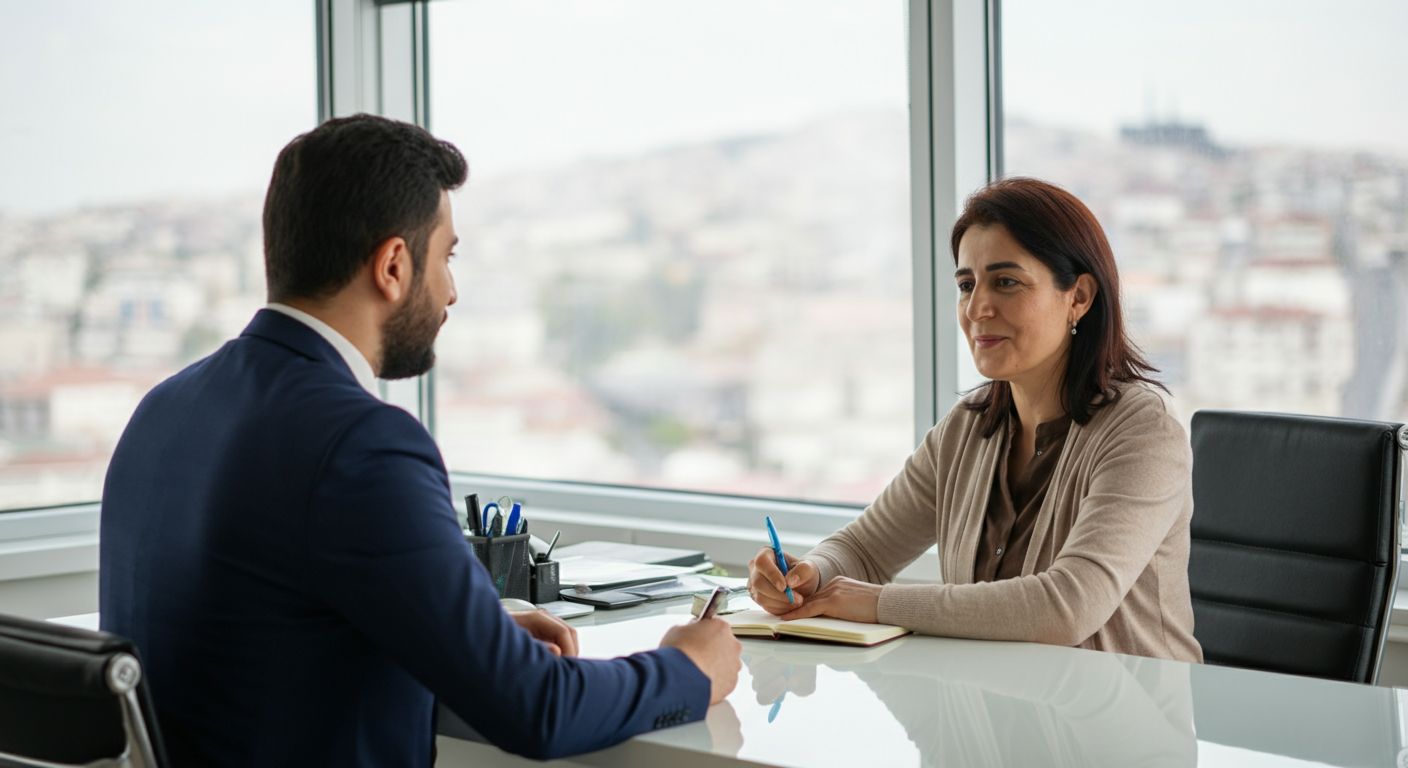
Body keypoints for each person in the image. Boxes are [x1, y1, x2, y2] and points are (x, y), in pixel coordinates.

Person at [99, 114, 740, 767]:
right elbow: (538, 710)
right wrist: (687, 668)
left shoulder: (165, 409)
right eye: (448, 256)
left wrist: (461, 639)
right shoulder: (360, 444)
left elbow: (254, 641)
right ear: (394, 265)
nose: (452, 292)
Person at [749, 177, 1202, 663]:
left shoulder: (1142, 430)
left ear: (1079, 297)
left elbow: (1069, 606)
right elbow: (864, 549)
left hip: (1128, 727)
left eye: (1006, 282)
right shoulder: (966, 428)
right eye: (967, 285)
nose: (977, 308)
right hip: (993, 714)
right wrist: (809, 576)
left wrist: (875, 603)